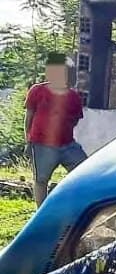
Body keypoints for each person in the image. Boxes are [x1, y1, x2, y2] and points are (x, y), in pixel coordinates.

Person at [25, 52, 87, 207]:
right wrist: (28, 139)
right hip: (41, 144)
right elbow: (29, 116)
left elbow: (75, 119)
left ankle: (77, 205)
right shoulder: (37, 91)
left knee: (85, 173)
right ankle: (41, 213)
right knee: (41, 180)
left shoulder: (73, 96)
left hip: (67, 145)